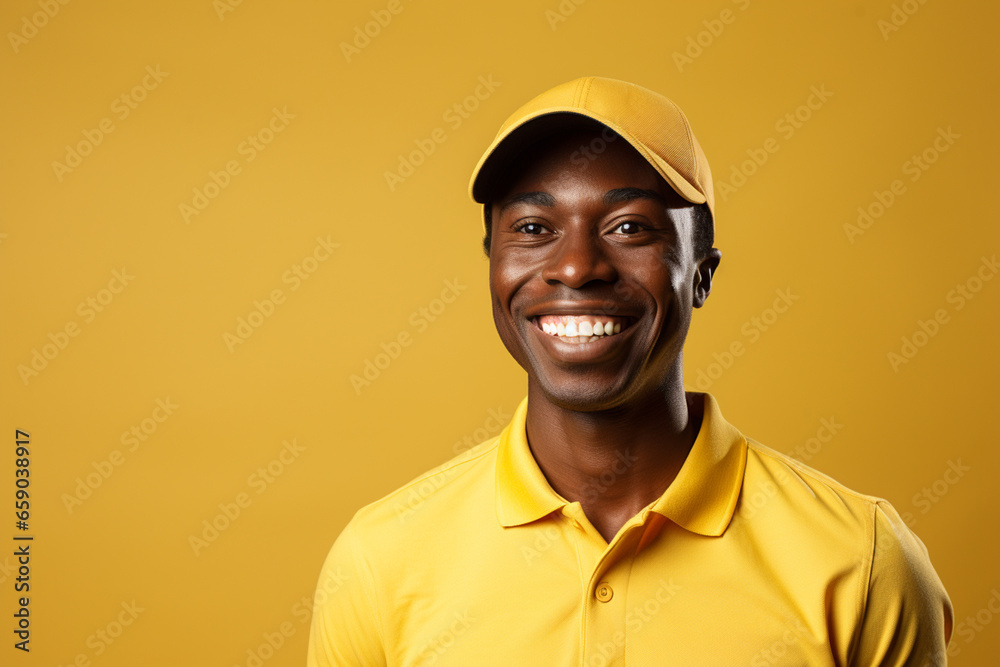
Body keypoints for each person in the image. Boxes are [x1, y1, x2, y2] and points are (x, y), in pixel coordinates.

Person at [307, 76, 953, 666]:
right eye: (534, 227)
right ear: (493, 266)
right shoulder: (379, 565)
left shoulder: (862, 563)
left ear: (701, 272)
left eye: (629, 227)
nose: (576, 265)